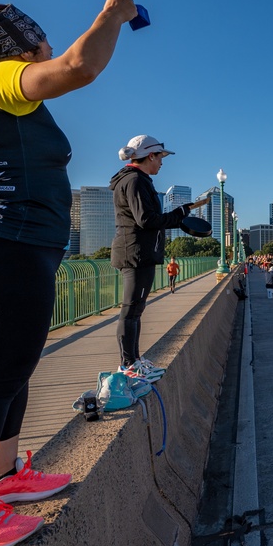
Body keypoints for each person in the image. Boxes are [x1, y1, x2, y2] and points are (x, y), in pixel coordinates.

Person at [0, 0, 137, 546]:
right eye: (41, 36)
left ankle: (3, 475)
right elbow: (77, 68)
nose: (49, 44)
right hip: (1, 246)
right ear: (19, 42)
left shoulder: (4, 92)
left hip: (22, 248)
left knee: (15, 369)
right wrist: (113, 15)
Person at [111, 135, 190, 381]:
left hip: (138, 251)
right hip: (136, 253)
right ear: (150, 155)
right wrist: (178, 215)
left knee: (135, 310)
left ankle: (134, 360)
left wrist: (179, 214)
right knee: (131, 310)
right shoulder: (135, 180)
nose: (162, 164)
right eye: (161, 158)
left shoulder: (137, 180)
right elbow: (145, 220)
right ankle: (127, 364)